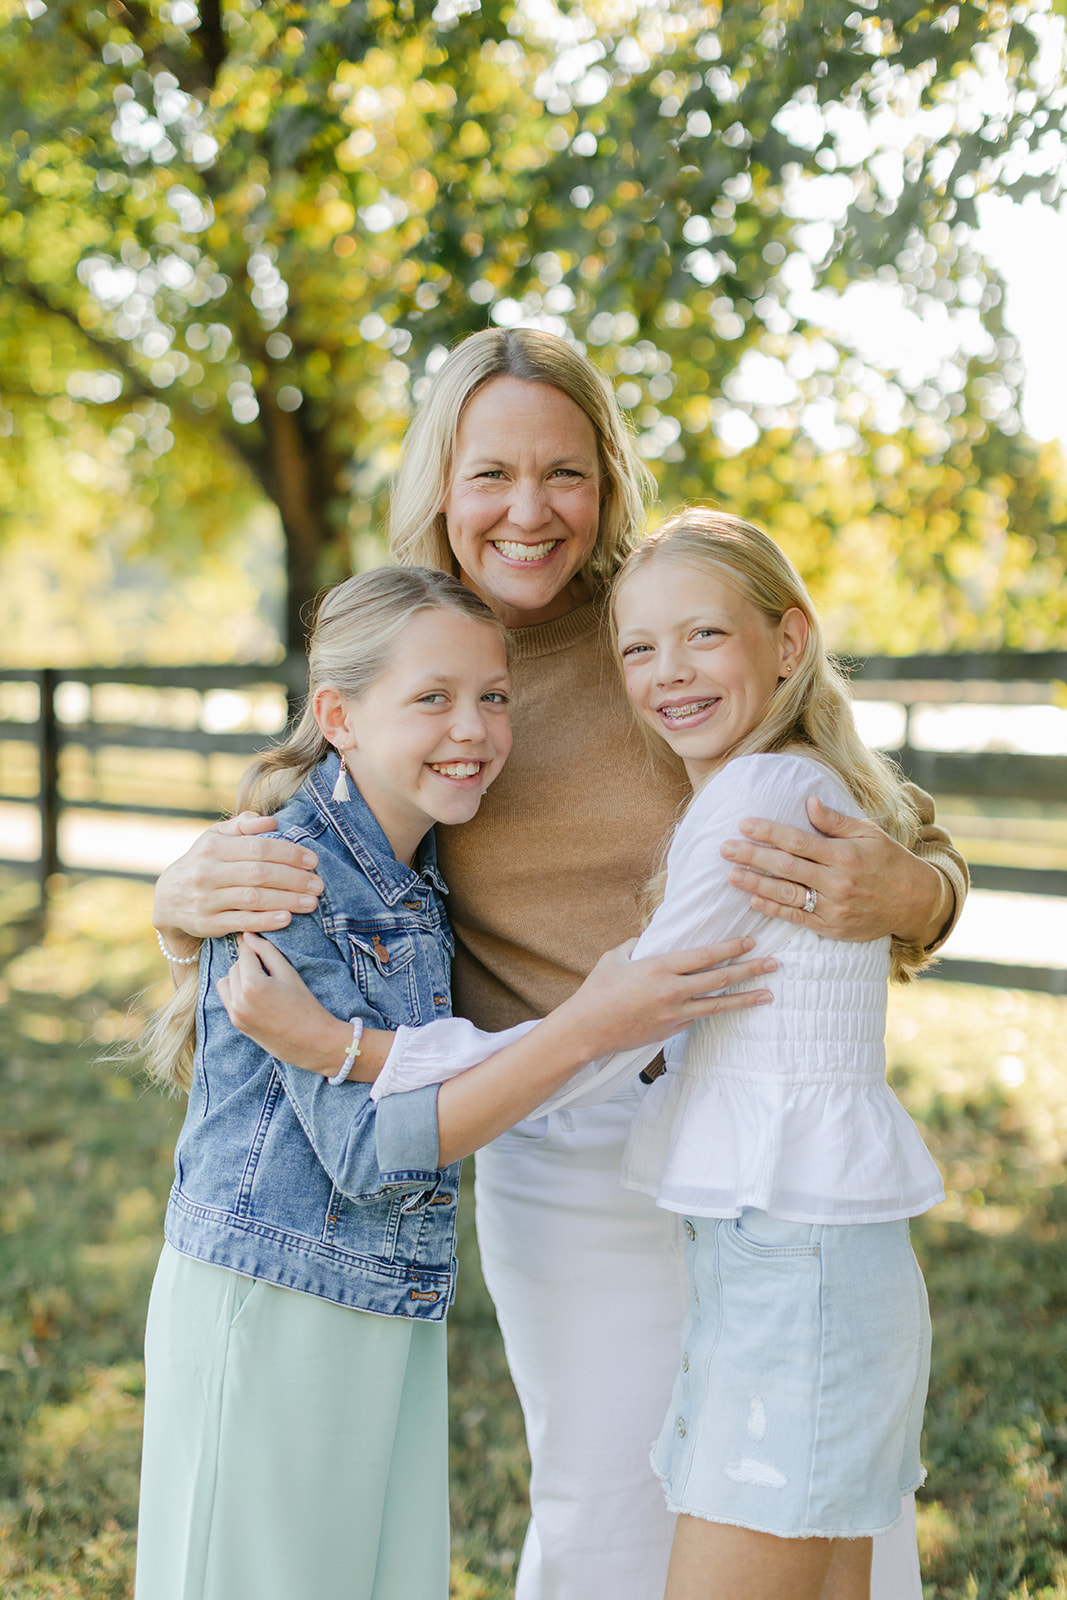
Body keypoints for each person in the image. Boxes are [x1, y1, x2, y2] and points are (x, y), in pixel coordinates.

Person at [152, 328, 968, 1600]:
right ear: (440, 482)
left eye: (562, 474)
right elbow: (315, 838)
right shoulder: (425, 652)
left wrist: (911, 889)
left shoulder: (668, 630)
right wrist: (176, 897)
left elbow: (899, 843)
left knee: (795, 1467)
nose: (527, 513)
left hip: (746, 1120)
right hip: (543, 1122)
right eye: (490, 476)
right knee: (606, 1489)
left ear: (606, 478)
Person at [136, 563, 771, 1600]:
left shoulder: (418, 872)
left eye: (492, 697)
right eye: (431, 698)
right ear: (337, 715)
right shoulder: (291, 876)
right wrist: (587, 1027)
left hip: (381, 1301)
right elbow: (367, 1145)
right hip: (272, 1300)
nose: (471, 728)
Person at [351, 509, 946, 1599]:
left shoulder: (759, 799)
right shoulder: (778, 777)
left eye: (702, 638)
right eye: (638, 649)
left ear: (789, 640)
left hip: (792, 1271)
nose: (666, 673)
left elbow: (617, 1023)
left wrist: (357, 1052)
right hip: (789, 1256)